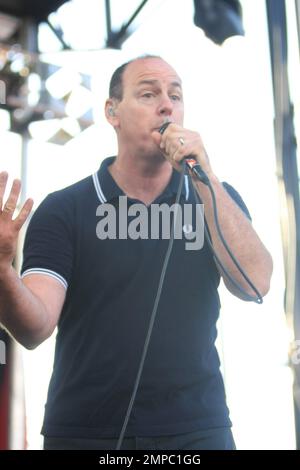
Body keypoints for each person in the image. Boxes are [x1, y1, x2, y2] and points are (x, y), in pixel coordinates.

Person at [0, 55, 273, 450]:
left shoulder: (214, 199)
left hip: (197, 429)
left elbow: (255, 283)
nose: (167, 104)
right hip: (85, 433)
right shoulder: (66, 209)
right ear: (112, 112)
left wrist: (206, 176)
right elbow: (34, 326)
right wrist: (3, 270)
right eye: (148, 93)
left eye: (175, 95)